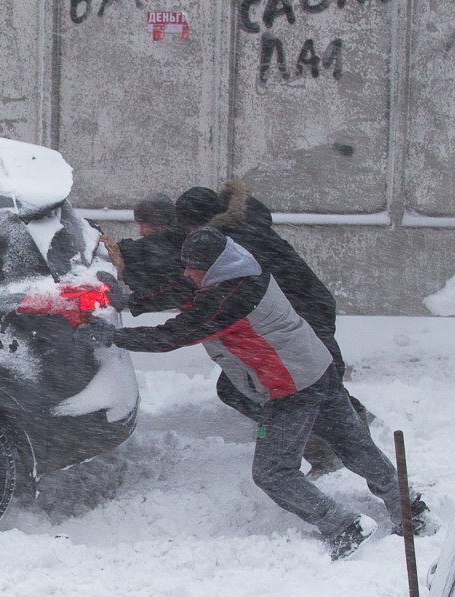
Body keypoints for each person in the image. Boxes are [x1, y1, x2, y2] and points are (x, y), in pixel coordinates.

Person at [79, 227, 430, 559]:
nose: (187, 274)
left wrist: (113, 336)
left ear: (215, 267)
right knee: (356, 447)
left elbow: (174, 335)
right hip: (318, 370)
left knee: (273, 472)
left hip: (292, 389)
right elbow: (188, 294)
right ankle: (410, 510)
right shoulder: (242, 273)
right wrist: (129, 301)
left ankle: (345, 527)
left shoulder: (230, 298)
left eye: (194, 268)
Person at [175, 181, 356, 477]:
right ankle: (344, 434)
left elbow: (237, 291)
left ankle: (329, 447)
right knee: (316, 385)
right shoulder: (242, 225)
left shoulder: (233, 243)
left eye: (187, 230)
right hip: (307, 306)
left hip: (302, 314)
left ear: (197, 224)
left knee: (280, 388)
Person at [102, 194, 195, 315]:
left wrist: (129, 299)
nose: (140, 232)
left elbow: (173, 290)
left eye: (143, 226)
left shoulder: (171, 247)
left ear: (160, 227)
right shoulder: (178, 242)